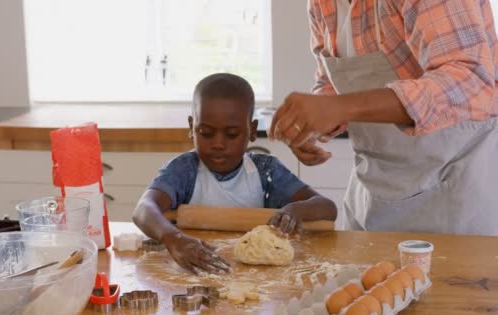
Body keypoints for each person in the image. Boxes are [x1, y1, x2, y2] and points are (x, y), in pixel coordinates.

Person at [269, 0, 498, 235]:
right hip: (372, 193)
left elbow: (470, 81)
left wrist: (341, 106)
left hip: (454, 191)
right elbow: (331, 80)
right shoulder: (320, 4)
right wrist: (314, 121)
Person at [132, 73, 337, 274]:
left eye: (232, 134)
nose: (218, 144)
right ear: (191, 127)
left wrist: (296, 210)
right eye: (206, 133)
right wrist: (174, 239)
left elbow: (328, 207)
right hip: (194, 272)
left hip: (256, 277)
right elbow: (144, 210)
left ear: (252, 130)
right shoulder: (184, 170)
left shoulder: (266, 171)